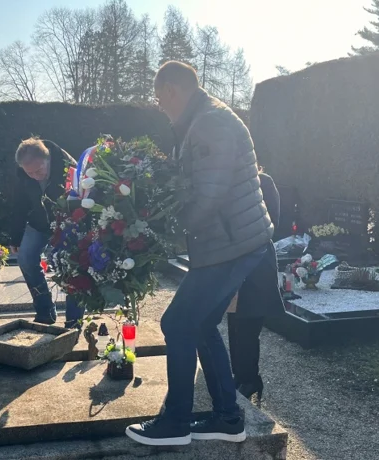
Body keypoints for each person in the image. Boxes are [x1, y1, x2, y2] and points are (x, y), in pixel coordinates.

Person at [125, 61, 273, 446]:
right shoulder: (204, 118)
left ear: (172, 90)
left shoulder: (210, 122)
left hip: (231, 243)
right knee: (201, 324)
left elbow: (210, 194)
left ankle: (175, 422)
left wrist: (165, 234)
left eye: (160, 100)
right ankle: (228, 418)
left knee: (177, 324)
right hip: (230, 241)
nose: (161, 107)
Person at [11, 137, 84, 328]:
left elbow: (83, 201)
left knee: (73, 267)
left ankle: (73, 322)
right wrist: (15, 237)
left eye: (39, 170)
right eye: (30, 173)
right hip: (39, 222)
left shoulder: (69, 168)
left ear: (48, 158)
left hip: (67, 224)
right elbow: (19, 204)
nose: (35, 176)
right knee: (25, 258)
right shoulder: (23, 174)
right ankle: (45, 310)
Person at [226, 169, 284, 403]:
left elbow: (273, 223)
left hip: (256, 263)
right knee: (234, 325)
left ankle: (250, 378)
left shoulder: (264, 182)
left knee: (248, 327)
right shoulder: (229, 182)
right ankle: (240, 375)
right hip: (233, 264)